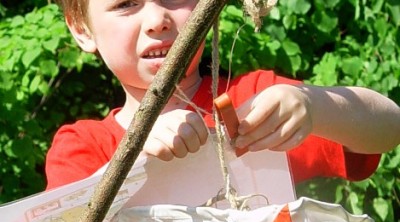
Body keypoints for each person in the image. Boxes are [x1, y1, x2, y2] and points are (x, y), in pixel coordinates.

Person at [46, 0, 400, 192]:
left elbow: (390, 127)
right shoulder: (84, 148)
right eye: (126, 4)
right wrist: (132, 156)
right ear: (81, 30)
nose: (157, 19)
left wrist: (314, 105)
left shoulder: (256, 102)